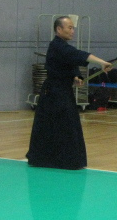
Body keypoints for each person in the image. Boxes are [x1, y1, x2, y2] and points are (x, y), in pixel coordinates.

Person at [27, 16, 112, 170]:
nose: (73, 31)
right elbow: (77, 54)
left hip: (64, 91)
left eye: (73, 28)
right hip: (53, 93)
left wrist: (76, 76)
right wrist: (101, 62)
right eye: (70, 28)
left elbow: (70, 64)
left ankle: (66, 159)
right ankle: (50, 158)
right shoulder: (56, 46)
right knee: (57, 126)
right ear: (59, 29)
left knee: (68, 124)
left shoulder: (63, 47)